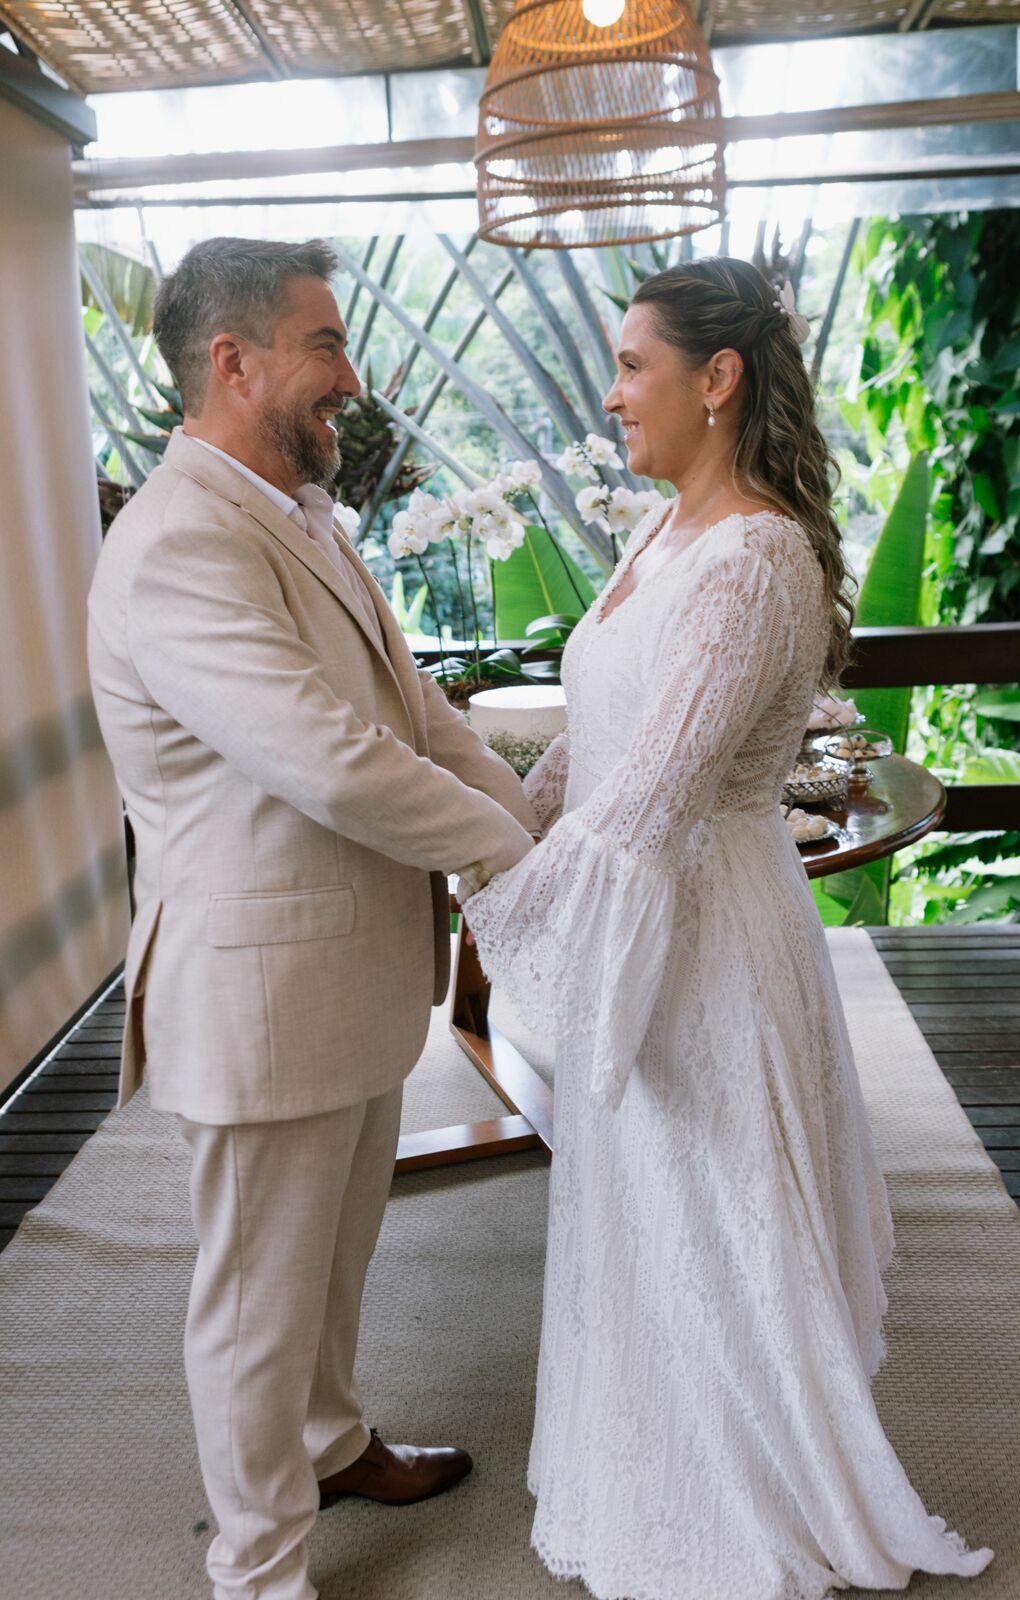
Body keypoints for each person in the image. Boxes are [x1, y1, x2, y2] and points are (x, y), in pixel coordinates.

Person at [459, 257, 994, 1600]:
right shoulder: (661, 533)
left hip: (707, 935)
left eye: (634, 364)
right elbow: (591, 744)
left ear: (719, 379)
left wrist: (493, 896)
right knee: (650, 1213)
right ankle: (649, 1464)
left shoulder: (755, 557)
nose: (612, 391)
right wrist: (499, 825)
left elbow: (648, 804)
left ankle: (747, 1497)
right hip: (655, 914)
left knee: (719, 1214)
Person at [86, 236, 538, 1600]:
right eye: (326, 344)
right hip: (256, 992)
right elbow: (330, 760)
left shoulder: (301, 518)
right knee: (254, 1303)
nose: (354, 374)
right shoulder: (174, 545)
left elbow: (415, 718)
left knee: (333, 1259)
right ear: (235, 362)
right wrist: (519, 861)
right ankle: (260, 1567)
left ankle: (335, 1446)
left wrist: (529, 822)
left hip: (344, 979)